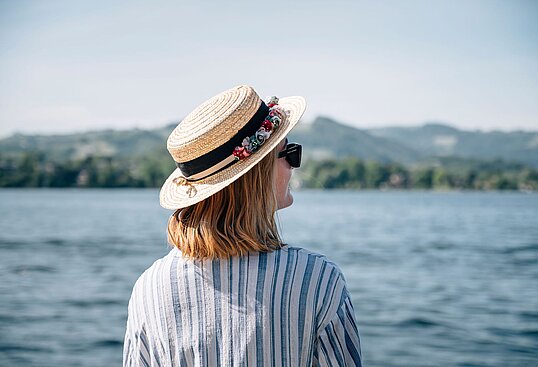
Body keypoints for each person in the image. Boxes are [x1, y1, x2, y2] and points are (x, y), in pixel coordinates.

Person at [123, 85, 362, 366]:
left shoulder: (150, 289)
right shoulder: (319, 281)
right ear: (257, 177)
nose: (294, 167)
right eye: (290, 154)